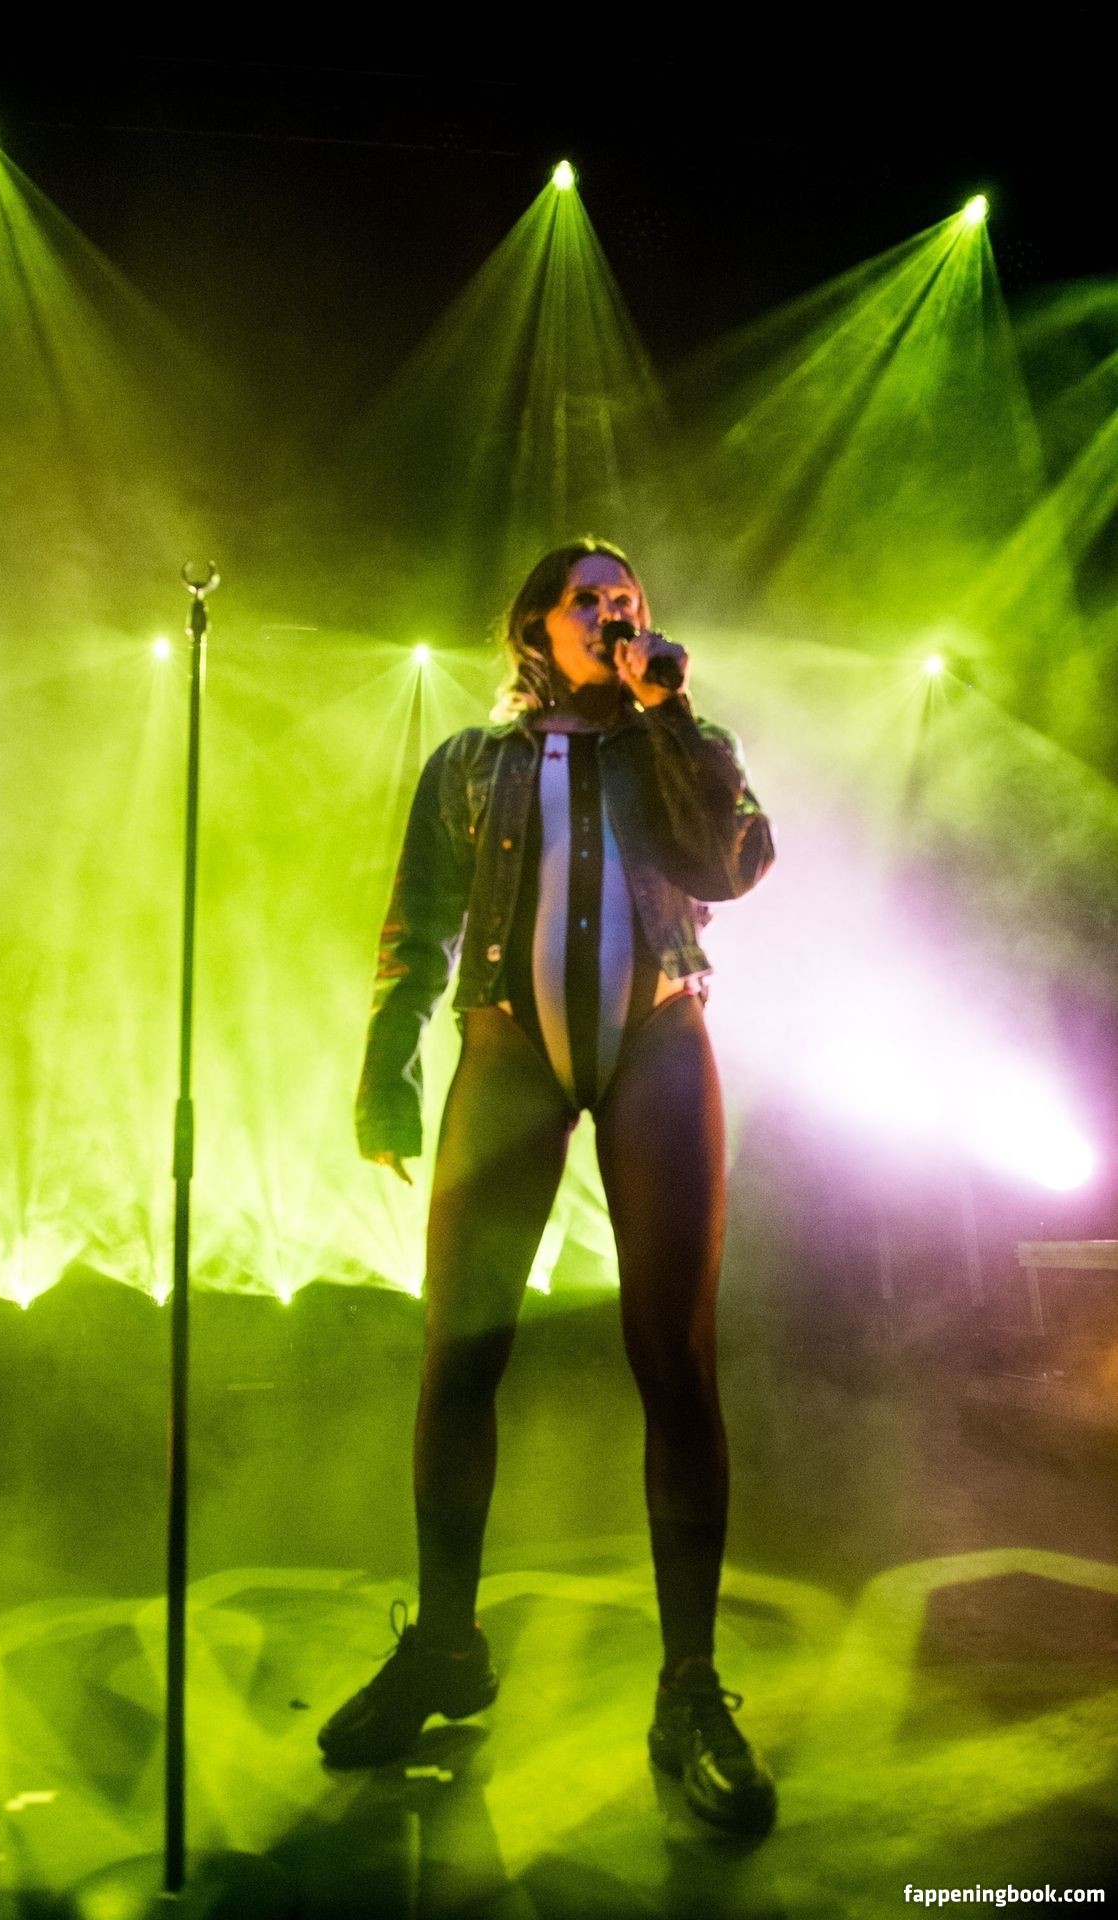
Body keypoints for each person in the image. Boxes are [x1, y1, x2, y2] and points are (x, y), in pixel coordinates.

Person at [319, 538, 777, 1831]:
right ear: (536, 626)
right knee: (458, 1354)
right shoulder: (470, 763)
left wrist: (668, 714)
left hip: (658, 1044)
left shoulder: (683, 739)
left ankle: (688, 1690)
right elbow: (416, 918)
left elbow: (731, 867)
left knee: (673, 1361)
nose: (612, 612)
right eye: (588, 598)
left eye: (627, 599)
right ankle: (444, 1648)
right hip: (508, 1051)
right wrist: (386, 1068)